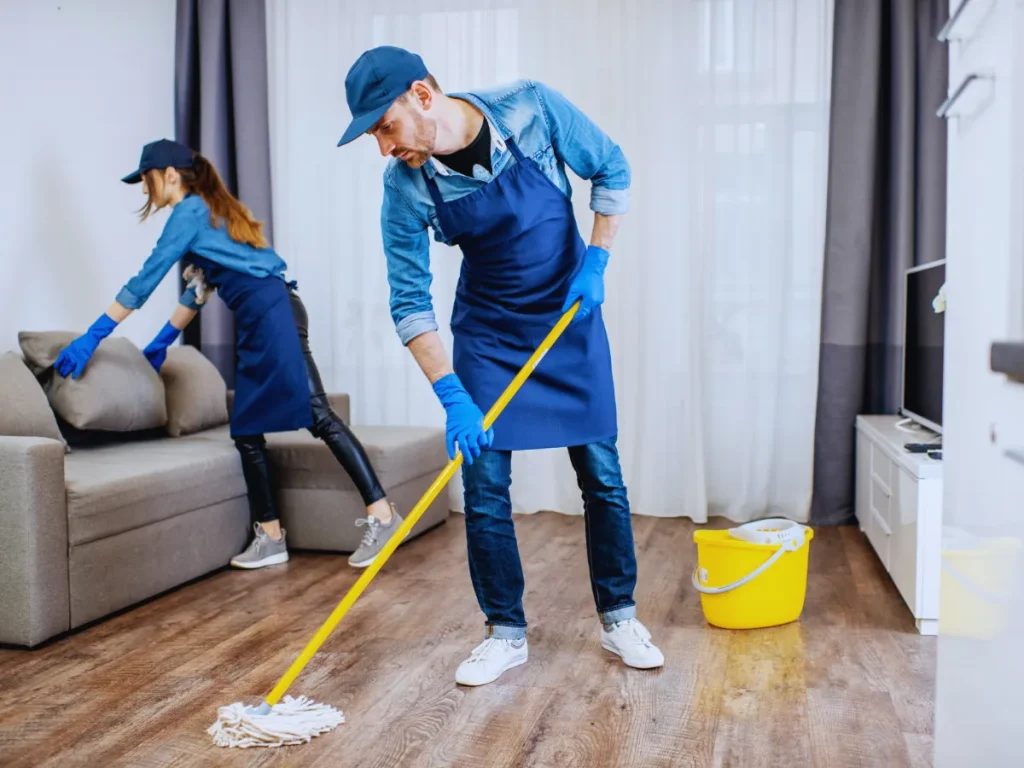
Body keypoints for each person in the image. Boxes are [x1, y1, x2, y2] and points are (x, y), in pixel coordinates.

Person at [337, 46, 664, 686]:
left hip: (568, 317)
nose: (383, 147)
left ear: (422, 97)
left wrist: (596, 260)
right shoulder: (405, 185)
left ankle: (619, 616)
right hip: (489, 333)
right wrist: (452, 393)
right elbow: (409, 301)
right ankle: (505, 631)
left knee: (601, 472)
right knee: (484, 485)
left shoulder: (530, 109)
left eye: (385, 127)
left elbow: (611, 166)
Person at [53, 138, 404, 570]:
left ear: (168, 175)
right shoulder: (210, 214)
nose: (146, 191)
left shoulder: (190, 211)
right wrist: (161, 342)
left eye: (146, 181)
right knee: (246, 429)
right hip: (267, 314)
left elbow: (145, 279)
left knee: (316, 413)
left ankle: (383, 515)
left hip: (270, 314)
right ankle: (271, 535)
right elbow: (197, 290)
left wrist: (93, 335)